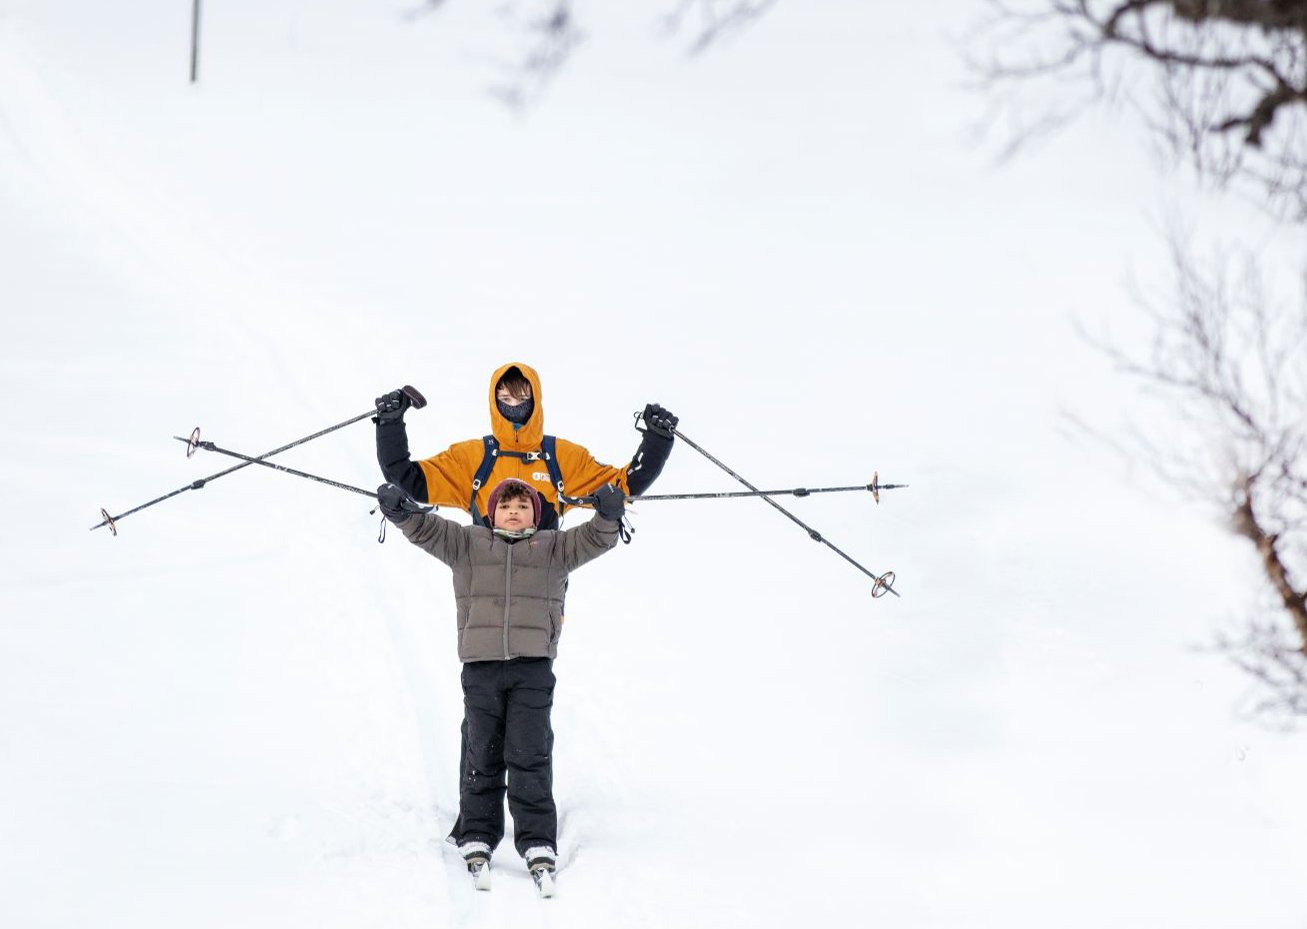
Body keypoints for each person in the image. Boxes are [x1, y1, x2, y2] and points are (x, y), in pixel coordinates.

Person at [375, 477, 627, 894]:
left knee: (529, 754)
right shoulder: (469, 544)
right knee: (482, 752)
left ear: (538, 514)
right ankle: (478, 832)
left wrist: (609, 514)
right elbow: (427, 529)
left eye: (523, 506)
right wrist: (401, 510)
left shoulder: (554, 549)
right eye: (506, 506)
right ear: (491, 514)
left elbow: (596, 538)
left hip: (532, 669)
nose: (514, 512)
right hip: (481, 667)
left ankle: (537, 840)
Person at [374, 361, 677, 530]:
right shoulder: (471, 458)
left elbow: (624, 486)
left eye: (521, 399)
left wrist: (656, 441)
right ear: (494, 403)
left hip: (541, 590)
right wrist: (390, 423)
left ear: (535, 401)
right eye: (504, 399)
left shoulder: (562, 458)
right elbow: (408, 479)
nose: (514, 407)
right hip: (482, 588)